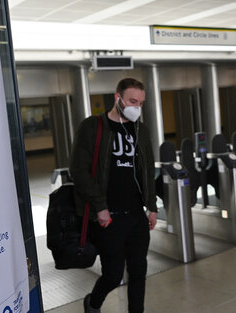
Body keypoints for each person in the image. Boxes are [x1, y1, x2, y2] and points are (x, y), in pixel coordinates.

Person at [69, 78, 158, 313]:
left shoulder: (141, 130)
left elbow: (148, 169)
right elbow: (78, 172)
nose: (136, 107)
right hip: (108, 218)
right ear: (117, 98)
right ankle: (93, 302)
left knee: (139, 271)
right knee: (113, 274)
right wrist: (100, 206)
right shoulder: (92, 127)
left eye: (140, 103)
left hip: (136, 216)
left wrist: (152, 206)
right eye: (132, 101)